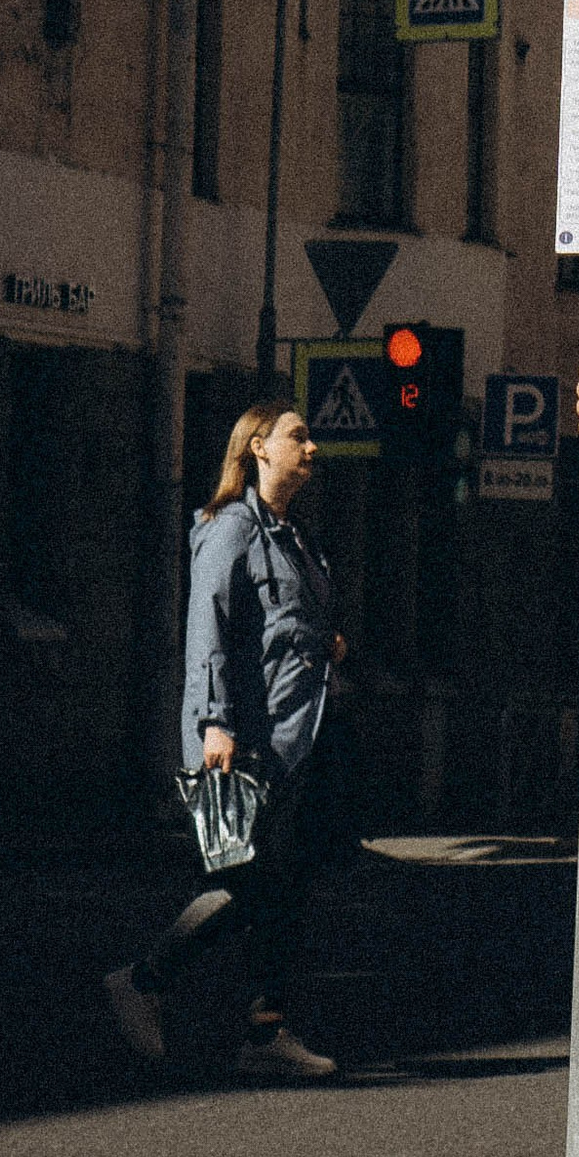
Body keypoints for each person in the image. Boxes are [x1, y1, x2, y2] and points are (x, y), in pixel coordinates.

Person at [103, 403, 347, 1082]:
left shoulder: (294, 537)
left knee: (285, 885)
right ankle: (144, 980)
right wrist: (214, 722)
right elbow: (205, 626)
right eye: (298, 436)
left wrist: (326, 644)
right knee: (247, 883)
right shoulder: (230, 528)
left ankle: (265, 1032)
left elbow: (282, 623)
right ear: (258, 448)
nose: (312, 448)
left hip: (297, 735)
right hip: (245, 740)